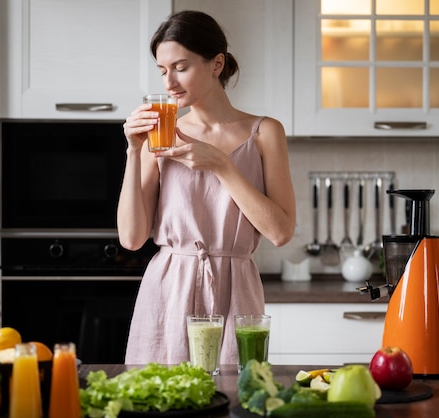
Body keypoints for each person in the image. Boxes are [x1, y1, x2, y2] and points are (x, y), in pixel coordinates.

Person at [118, 10, 296, 365]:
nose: (169, 82)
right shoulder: (163, 134)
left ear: (216, 64)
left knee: (232, 399)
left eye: (180, 67)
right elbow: (131, 238)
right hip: (168, 289)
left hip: (235, 291)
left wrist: (221, 164)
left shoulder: (265, 132)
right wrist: (133, 151)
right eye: (162, 70)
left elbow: (280, 232)